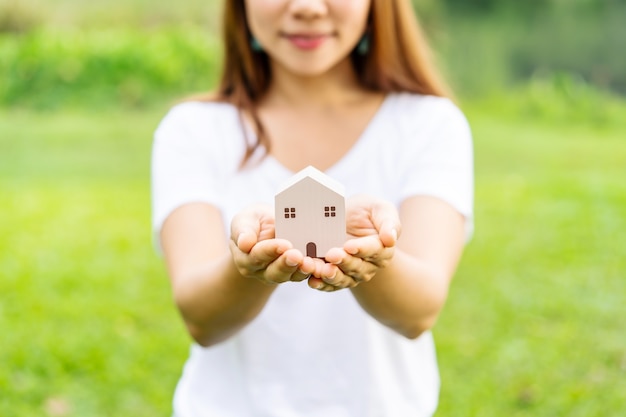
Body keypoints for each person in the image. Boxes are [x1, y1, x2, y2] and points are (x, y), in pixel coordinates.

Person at [151, 0, 473, 416]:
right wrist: (248, 262)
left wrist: (371, 254)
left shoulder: (429, 125)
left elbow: (418, 312)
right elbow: (202, 320)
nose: (307, 7)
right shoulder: (193, 130)